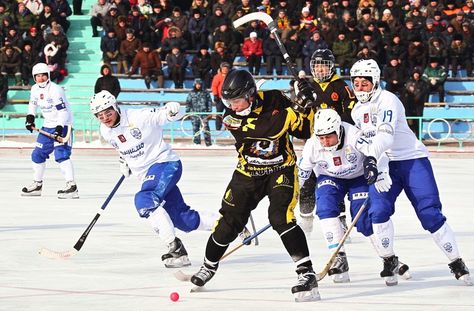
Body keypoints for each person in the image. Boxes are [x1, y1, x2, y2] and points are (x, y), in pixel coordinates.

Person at [190, 69, 321, 302]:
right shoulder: (231, 118)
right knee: (228, 223)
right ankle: (209, 265)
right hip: (248, 173)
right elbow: (268, 129)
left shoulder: (275, 98)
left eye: (236, 101)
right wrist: (296, 109)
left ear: (251, 95)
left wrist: (308, 103)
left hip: (281, 170)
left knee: (280, 218)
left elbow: (304, 131)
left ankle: (306, 273)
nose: (232, 106)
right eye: (228, 102)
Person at [349, 58, 472, 286]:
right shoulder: (357, 111)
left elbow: (386, 136)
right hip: (386, 164)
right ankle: (389, 260)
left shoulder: (388, 100)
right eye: (356, 83)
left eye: (364, 83)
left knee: (429, 213)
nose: (359, 88)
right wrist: (379, 165)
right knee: (378, 210)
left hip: (412, 160)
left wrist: (373, 158)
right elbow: (367, 143)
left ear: (374, 82)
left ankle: (456, 261)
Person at [89, 90, 218, 268]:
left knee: (144, 199)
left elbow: (167, 115)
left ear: (116, 107)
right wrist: (124, 161)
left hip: (165, 164)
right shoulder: (106, 131)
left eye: (108, 112)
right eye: (100, 115)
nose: (105, 117)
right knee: (183, 220)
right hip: (148, 176)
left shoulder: (139, 117)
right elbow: (122, 148)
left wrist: (174, 109)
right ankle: (228, 224)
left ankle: (176, 250)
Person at [298, 109, 410, 283]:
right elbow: (302, 174)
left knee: (364, 221)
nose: (325, 142)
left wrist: (377, 171)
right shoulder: (313, 145)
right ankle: (339, 258)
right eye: (321, 137)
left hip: (358, 178)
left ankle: (388, 258)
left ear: (338, 130)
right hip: (330, 177)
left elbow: (376, 153)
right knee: (325, 207)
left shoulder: (355, 135)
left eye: (329, 136)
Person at [297, 49, 356, 236]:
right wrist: (302, 100)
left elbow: (351, 115)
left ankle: (340, 218)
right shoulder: (310, 87)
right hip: (316, 141)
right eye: (317, 66)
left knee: (335, 177)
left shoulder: (341, 87)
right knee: (307, 180)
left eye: (323, 66)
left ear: (331, 67)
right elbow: (301, 114)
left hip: (337, 142)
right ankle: (305, 219)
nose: (320, 70)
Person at [22, 63, 78, 199]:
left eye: (43, 75)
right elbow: (33, 104)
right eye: (38, 76)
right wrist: (30, 118)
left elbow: (63, 112)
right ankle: (37, 185)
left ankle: (72, 187)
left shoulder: (55, 89)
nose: (41, 78)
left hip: (63, 124)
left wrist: (59, 128)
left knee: (61, 155)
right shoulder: (34, 89)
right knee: (37, 155)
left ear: (48, 75)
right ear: (34, 77)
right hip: (47, 125)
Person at [185, 79, 213, 147]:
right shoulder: (191, 93)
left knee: (206, 129)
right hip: (194, 114)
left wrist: (209, 112)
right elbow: (188, 103)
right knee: (195, 129)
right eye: (197, 84)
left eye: (199, 84)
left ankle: (208, 144)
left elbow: (209, 102)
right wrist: (187, 112)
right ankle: (196, 144)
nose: (198, 86)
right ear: (195, 84)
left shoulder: (205, 92)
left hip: (204, 114)